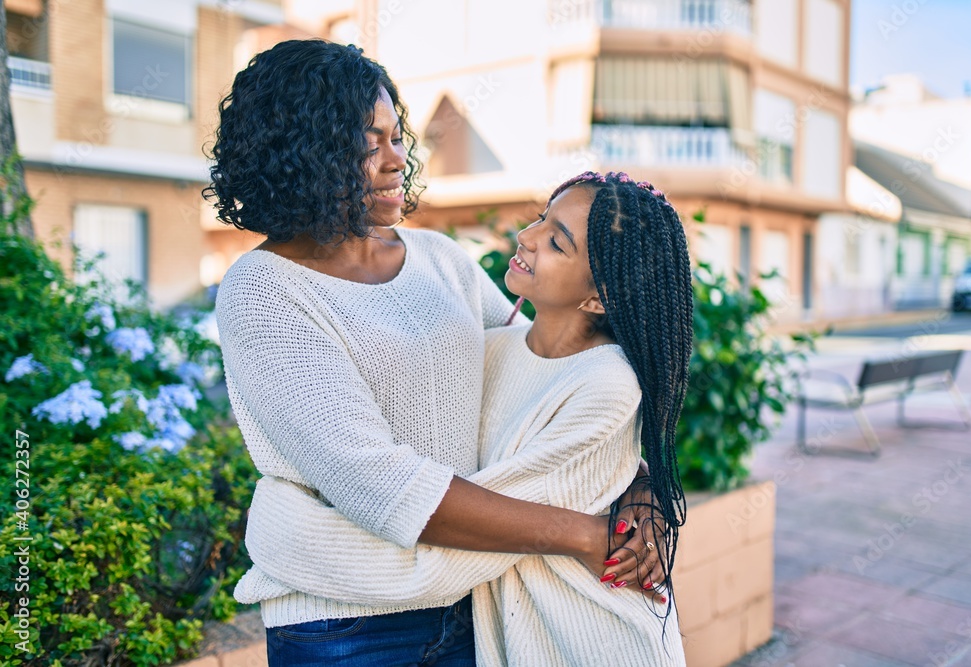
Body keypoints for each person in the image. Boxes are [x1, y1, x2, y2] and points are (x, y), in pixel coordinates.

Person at [208, 40, 665, 666]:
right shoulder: (263, 293)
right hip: (346, 627)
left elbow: (547, 374)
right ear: (302, 154)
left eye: (397, 136)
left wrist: (635, 483)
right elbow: (380, 483)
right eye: (369, 142)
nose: (397, 159)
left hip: (476, 599)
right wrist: (586, 534)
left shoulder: (438, 260)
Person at [245, 171, 692, 665]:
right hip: (417, 626)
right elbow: (399, 486)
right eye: (542, 219)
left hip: (587, 637)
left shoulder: (603, 379)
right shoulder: (495, 348)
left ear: (598, 298)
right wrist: (597, 520)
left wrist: (639, 483)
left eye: (557, 241)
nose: (525, 236)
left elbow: (497, 510)